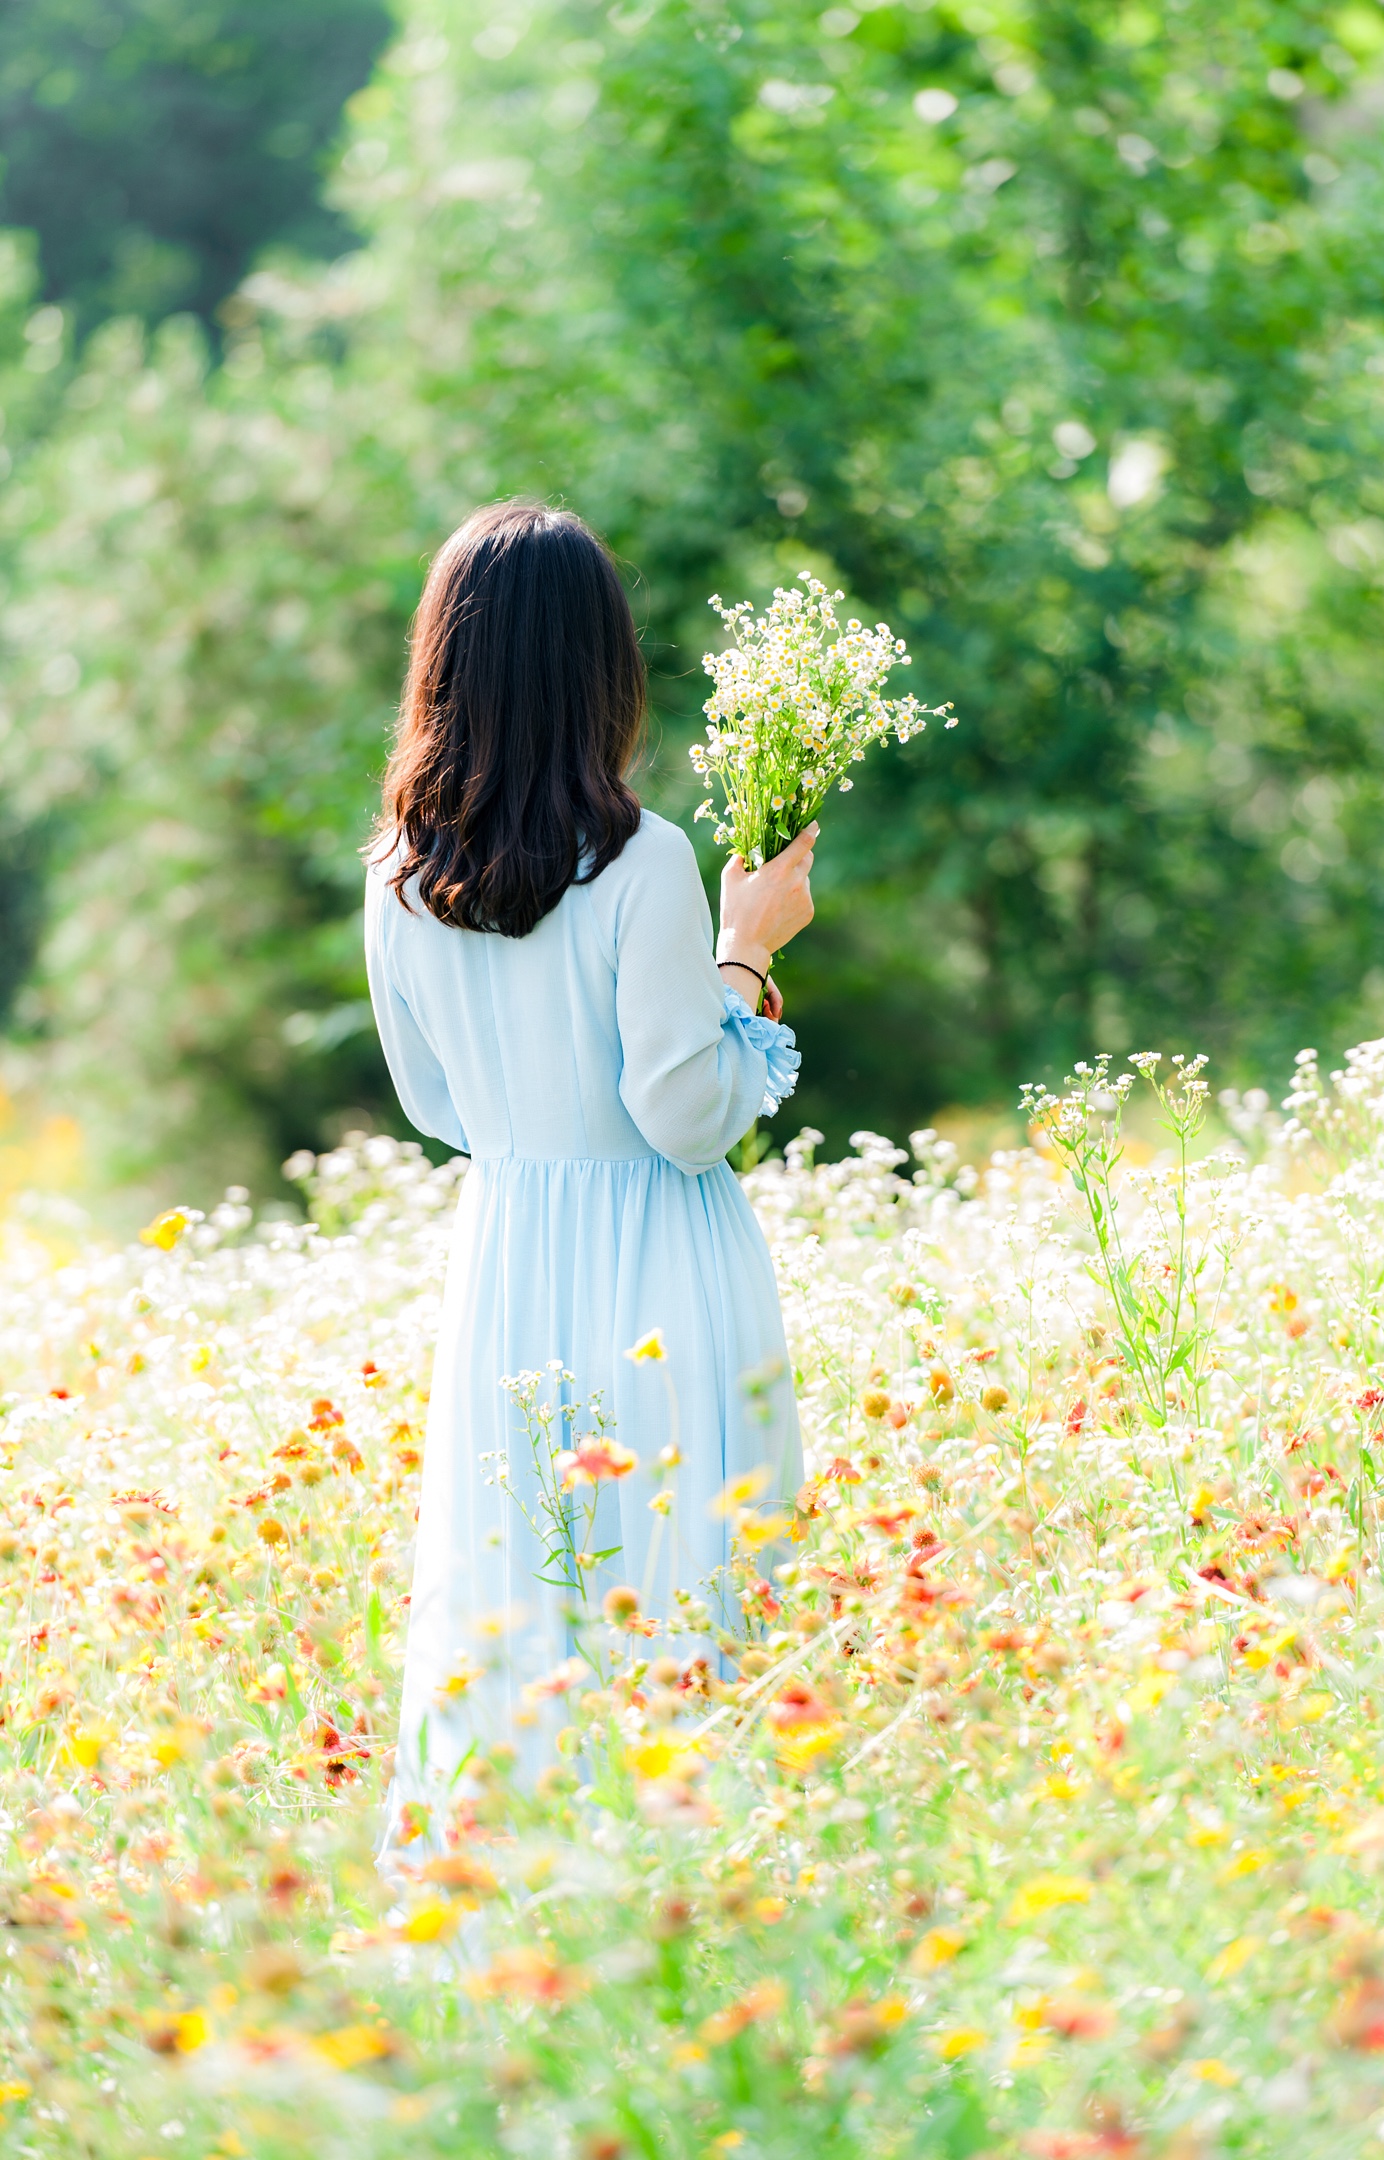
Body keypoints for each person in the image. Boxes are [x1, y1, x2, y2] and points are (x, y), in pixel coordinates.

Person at [364, 499, 817, 1842]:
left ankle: (496, 1893)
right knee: (683, 1566)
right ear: (601, 669)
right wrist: (749, 950)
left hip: (506, 1260)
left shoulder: (398, 872)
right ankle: (696, 1881)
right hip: (660, 1260)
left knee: (510, 1580)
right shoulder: (644, 859)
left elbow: (434, 1106)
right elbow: (685, 1115)